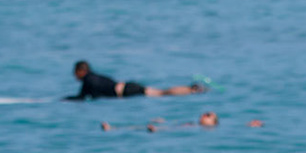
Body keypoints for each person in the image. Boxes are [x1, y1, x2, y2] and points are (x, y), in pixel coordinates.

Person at [66, 59, 204, 100]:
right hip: (128, 87)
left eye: (75, 73)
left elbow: (81, 98)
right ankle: (191, 89)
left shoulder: (88, 80)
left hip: (126, 91)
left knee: (162, 94)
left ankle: (191, 90)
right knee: (162, 92)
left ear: (81, 71)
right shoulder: (95, 77)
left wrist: (65, 100)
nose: (74, 76)